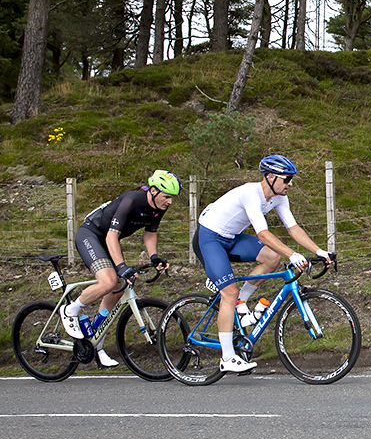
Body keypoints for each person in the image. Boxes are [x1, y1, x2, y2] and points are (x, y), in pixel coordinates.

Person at [192, 155, 332, 374]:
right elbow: (263, 234)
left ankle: (242, 300)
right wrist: (292, 254)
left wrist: (319, 251)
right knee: (228, 293)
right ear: (270, 177)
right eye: (287, 179)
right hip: (209, 238)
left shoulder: (278, 196)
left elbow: (293, 228)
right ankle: (227, 358)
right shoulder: (251, 193)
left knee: (272, 258)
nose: (290, 183)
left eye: (291, 179)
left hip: (231, 237)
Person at [59, 170, 181, 367]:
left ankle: (96, 344)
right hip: (91, 235)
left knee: (118, 288)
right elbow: (111, 236)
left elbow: (150, 233)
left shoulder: (159, 207)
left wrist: (154, 256)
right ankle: (70, 310)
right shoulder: (131, 200)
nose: (170, 202)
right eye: (166, 196)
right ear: (152, 191)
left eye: (172, 198)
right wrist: (121, 266)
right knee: (108, 282)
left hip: (106, 240)